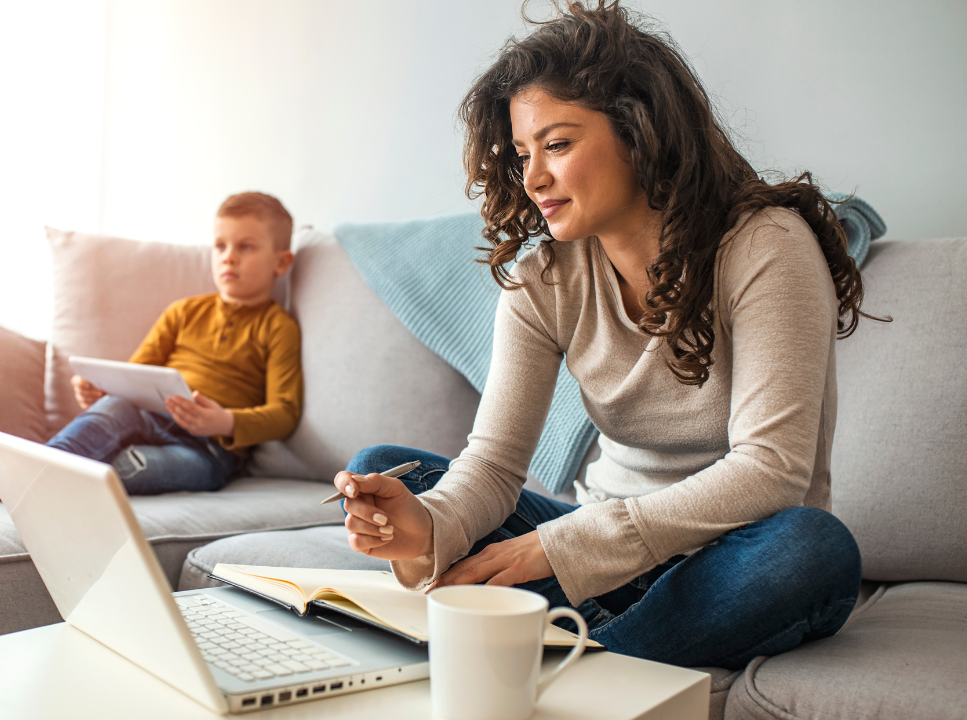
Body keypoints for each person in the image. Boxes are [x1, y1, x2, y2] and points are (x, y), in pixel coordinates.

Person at [332, 1, 879, 669]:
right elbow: (495, 464)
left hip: (723, 560)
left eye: (557, 144)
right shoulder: (544, 279)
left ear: (641, 132)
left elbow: (772, 471)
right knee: (386, 470)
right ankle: (596, 644)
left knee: (813, 550)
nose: (532, 178)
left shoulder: (765, 247)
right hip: (593, 557)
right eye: (523, 153)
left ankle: (579, 660)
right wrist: (430, 526)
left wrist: (559, 550)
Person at [0, 191, 303, 499]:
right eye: (220, 246)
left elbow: (285, 412)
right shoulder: (184, 312)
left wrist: (225, 422)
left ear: (281, 263)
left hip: (208, 453)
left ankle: (11, 485)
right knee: (112, 408)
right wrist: (101, 390)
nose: (228, 258)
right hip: (145, 419)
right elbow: (135, 375)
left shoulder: (278, 327)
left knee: (130, 468)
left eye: (245, 247)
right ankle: (0, 479)